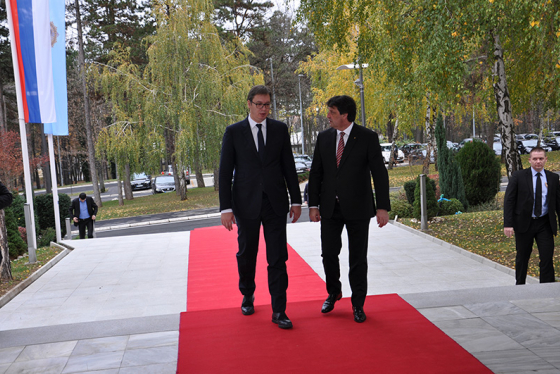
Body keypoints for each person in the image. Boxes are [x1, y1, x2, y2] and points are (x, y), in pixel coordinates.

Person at [219, 85, 302, 329]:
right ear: (249, 104)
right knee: (247, 253)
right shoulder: (234, 132)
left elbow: (289, 166)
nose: (263, 109)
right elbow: (225, 173)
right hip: (245, 204)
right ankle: (247, 293)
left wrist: (296, 201)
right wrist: (226, 208)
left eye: (267, 104)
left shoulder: (279, 129)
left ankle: (279, 310)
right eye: (259, 104)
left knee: (277, 256)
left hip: (275, 203)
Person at [308, 95, 390, 323]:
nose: (328, 117)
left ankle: (358, 304)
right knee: (328, 255)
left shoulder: (367, 137)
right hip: (329, 209)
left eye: (332, 112)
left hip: (358, 208)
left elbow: (379, 173)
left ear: (345, 115)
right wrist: (313, 205)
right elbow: (316, 173)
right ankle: (333, 292)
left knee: (357, 258)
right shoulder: (324, 138)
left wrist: (382, 206)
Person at [504, 147, 559, 284]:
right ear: (529, 160)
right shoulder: (518, 176)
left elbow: (558, 203)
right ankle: (520, 285)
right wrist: (508, 224)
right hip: (524, 223)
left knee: (547, 257)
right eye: (535, 159)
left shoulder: (553, 178)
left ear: (546, 159)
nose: (538, 161)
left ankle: (546, 288)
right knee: (522, 257)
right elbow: (509, 201)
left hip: (544, 223)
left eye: (541, 158)